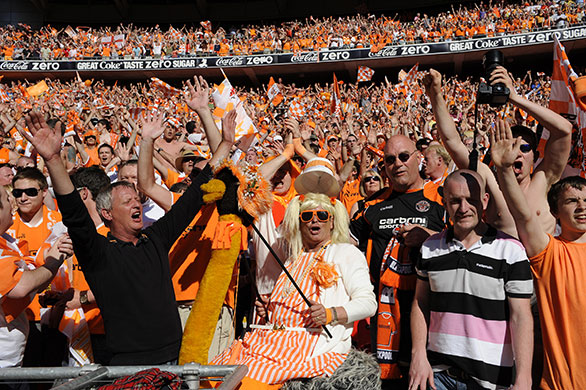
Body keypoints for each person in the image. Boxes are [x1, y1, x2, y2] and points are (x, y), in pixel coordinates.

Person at [20, 110, 234, 365]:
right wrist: (53, 159)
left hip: (174, 363)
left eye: (136, 199)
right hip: (128, 369)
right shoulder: (98, 252)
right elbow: (74, 213)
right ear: (107, 213)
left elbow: (193, 196)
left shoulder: (155, 238)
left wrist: (226, 145)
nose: (137, 204)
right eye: (127, 201)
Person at [211, 191, 377, 389]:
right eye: (307, 216)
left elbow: (368, 304)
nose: (314, 220)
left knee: (246, 380)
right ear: (300, 223)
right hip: (270, 339)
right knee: (218, 371)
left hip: (310, 343)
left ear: (331, 222)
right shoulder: (293, 258)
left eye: (322, 215)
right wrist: (269, 311)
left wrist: (331, 313)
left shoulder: (345, 252)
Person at [410, 169, 533, 390]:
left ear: (484, 201)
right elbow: (421, 303)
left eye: (471, 200)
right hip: (437, 376)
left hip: (490, 380)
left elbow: (521, 316)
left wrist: (524, 376)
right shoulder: (430, 248)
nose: (464, 208)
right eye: (456, 201)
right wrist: (418, 354)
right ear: (445, 203)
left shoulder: (510, 251)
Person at [491, 120, 586, 390]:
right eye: (571, 201)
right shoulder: (548, 254)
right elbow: (522, 215)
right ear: (554, 212)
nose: (581, 207)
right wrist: (504, 170)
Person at [424, 67, 571, 236]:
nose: (517, 153)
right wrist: (435, 95)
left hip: (541, 262)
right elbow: (453, 142)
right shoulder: (491, 183)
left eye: (524, 148)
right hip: (504, 262)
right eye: (511, 146)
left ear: (535, 156)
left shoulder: (545, 180)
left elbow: (564, 130)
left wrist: (514, 98)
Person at [350, 134, 446, 385]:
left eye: (404, 157)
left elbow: (464, 242)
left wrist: (428, 236)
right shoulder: (372, 205)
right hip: (385, 319)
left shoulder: (440, 198)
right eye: (390, 160)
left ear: (419, 158)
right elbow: (347, 247)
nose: (397, 164)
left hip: (430, 312)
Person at [0, 185, 73, 369]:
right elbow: (21, 286)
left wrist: (53, 253)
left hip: (12, 362)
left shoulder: (7, 241)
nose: (14, 202)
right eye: (8, 198)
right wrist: (53, 262)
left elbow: (33, 279)